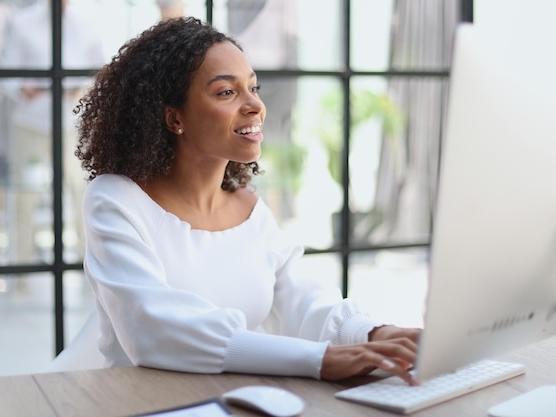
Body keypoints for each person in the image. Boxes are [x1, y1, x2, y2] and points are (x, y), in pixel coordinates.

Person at [75, 17, 420, 384]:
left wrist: (372, 335)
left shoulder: (251, 211)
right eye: (227, 92)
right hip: (142, 403)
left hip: (235, 398)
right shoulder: (116, 200)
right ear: (174, 117)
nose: (255, 105)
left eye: (253, 87)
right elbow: (154, 328)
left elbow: (304, 300)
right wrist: (318, 359)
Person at [0, 0, 105, 264]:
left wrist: (83, 92)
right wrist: (22, 88)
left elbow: (101, 73)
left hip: (71, 126)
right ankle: (21, 267)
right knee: (24, 199)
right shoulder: (22, 23)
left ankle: (88, 265)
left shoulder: (86, 25)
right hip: (31, 124)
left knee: (82, 195)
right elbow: (5, 76)